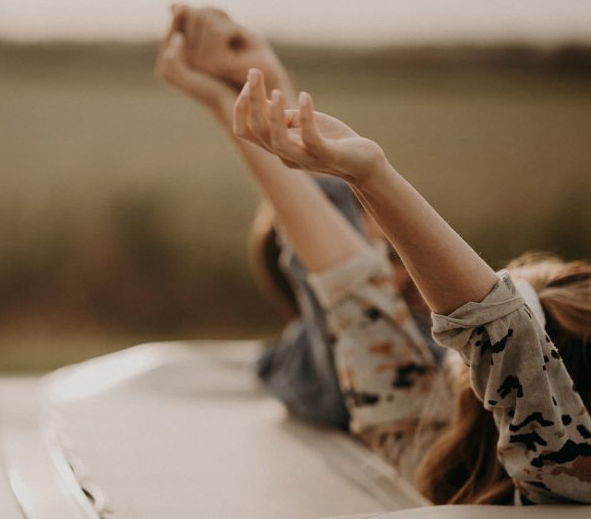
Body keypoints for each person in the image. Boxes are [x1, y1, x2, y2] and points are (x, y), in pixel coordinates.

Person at [233, 66, 591, 504]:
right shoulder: (565, 480)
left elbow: (354, 294)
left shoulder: (426, 456)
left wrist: (367, 174)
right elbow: (499, 339)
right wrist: (366, 175)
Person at [155, 5, 441, 429]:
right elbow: (352, 289)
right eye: (392, 261)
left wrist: (267, 80)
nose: (415, 273)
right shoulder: (344, 373)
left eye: (405, 251)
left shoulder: (461, 340)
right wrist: (226, 104)